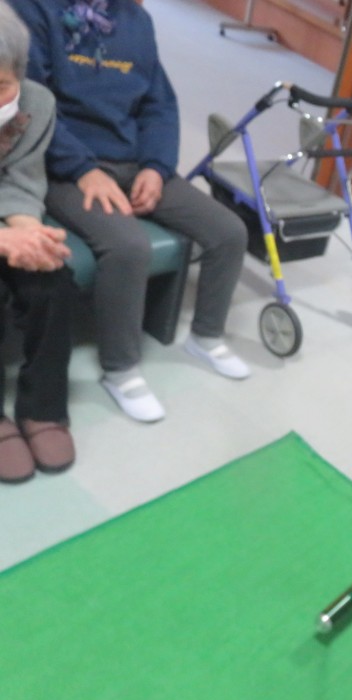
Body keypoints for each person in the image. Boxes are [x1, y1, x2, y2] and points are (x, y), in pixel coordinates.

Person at [11, 0, 251, 424]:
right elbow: (32, 103)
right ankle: (120, 369)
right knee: (127, 245)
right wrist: (83, 169)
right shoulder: (33, 10)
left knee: (229, 231)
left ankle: (206, 336)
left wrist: (157, 168)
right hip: (65, 168)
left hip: (134, 161)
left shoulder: (137, 20)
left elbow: (160, 104)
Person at [0, 0, 75, 483]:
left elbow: (22, 177)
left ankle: (43, 406)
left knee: (55, 280)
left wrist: (28, 228)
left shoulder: (37, 104)